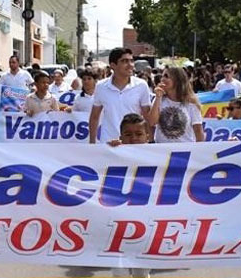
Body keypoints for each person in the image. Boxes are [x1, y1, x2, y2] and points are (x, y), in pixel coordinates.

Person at [106, 113, 151, 278]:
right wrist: (108, 150)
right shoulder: (113, 154)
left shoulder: (160, 155)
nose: (133, 138)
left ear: (147, 136)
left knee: (142, 270)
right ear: (120, 136)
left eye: (139, 134)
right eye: (128, 134)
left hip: (146, 221)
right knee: (119, 271)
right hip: (117, 221)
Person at [88, 47, 151, 144]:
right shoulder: (101, 87)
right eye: (125, 61)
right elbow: (95, 116)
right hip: (109, 142)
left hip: (134, 142)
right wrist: (92, 142)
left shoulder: (141, 85)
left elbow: (147, 116)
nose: (130, 65)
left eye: (131, 61)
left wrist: (149, 141)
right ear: (113, 65)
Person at [148, 67, 205, 143]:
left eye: (166, 76)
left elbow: (198, 131)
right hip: (161, 151)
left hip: (184, 150)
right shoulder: (159, 99)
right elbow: (152, 122)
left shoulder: (191, 103)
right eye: (162, 76)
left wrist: (199, 151)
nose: (162, 79)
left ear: (177, 81)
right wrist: (158, 97)